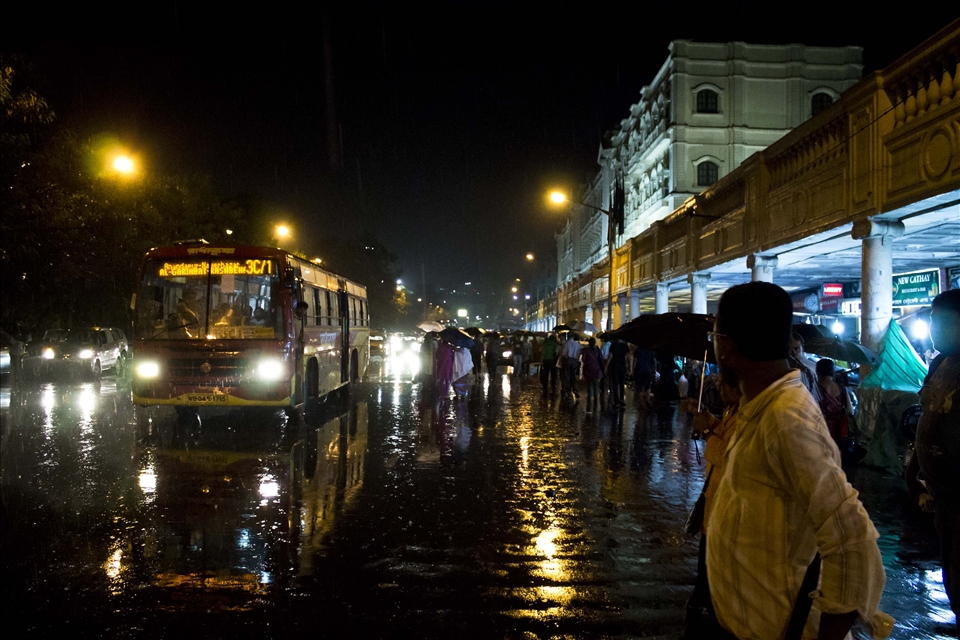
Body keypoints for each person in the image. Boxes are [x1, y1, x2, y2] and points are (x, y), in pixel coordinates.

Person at [706, 282, 891, 640]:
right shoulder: (761, 408)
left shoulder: (785, 418)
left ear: (725, 346)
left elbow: (852, 540)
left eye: (714, 336)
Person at [915, 289, 960, 622]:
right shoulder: (940, 363)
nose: (934, 329)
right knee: (952, 577)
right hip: (943, 499)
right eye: (932, 321)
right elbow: (927, 413)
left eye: (943, 322)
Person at [683, 379, 741, 638]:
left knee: (710, 560)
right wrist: (707, 418)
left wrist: (706, 432)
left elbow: (729, 455)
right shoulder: (731, 410)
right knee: (706, 557)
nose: (719, 388)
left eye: (725, 383)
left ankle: (703, 608)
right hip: (713, 496)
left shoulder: (746, 415)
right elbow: (723, 434)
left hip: (724, 502)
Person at [816, 358, 850, 452]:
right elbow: (850, 410)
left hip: (822, 435)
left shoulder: (817, 389)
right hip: (840, 435)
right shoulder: (842, 388)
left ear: (818, 373)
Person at [791, 332, 824, 404]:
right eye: (790, 350)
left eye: (796, 349)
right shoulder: (783, 371)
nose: (793, 352)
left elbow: (816, 400)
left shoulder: (811, 369)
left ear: (802, 349)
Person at [580, 337, 604, 414]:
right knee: (596, 383)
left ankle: (589, 396)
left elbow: (583, 359)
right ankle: (596, 397)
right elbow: (601, 359)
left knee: (589, 383)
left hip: (588, 368)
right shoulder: (598, 350)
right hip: (596, 368)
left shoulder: (586, 350)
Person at [605, 338, 630, 409]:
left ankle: (617, 401)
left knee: (615, 384)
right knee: (622, 383)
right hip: (622, 366)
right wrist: (629, 367)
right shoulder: (625, 346)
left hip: (614, 366)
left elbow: (610, 356)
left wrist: (606, 366)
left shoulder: (613, 345)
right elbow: (628, 357)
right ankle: (622, 399)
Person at [559, 332, 581, 402]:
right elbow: (578, 354)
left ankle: (569, 392)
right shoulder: (577, 344)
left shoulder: (566, 344)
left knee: (567, 376)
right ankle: (575, 389)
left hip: (567, 360)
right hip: (574, 361)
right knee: (573, 376)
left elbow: (563, 353)